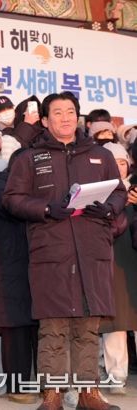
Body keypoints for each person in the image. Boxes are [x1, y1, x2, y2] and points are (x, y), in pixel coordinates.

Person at [3, 92, 126, 410]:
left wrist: (109, 209)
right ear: (45, 120)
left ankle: (89, 394)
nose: (65, 117)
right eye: (57, 112)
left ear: (78, 117)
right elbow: (12, 199)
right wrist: (46, 208)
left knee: (88, 327)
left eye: (70, 111)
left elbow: (119, 192)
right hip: (51, 252)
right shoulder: (29, 158)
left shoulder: (100, 155)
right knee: (53, 327)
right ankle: (53, 394)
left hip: (92, 251)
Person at [0, 148, 39, 405]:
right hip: (12, 264)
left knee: (43, 328)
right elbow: (11, 207)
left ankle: (50, 386)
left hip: (39, 263)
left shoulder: (40, 184)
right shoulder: (2, 182)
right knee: (16, 327)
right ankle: (17, 387)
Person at [98, 142, 137, 395]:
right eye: (113, 162)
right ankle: (116, 376)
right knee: (116, 322)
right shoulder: (99, 193)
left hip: (133, 260)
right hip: (112, 261)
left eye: (122, 162)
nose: (119, 167)